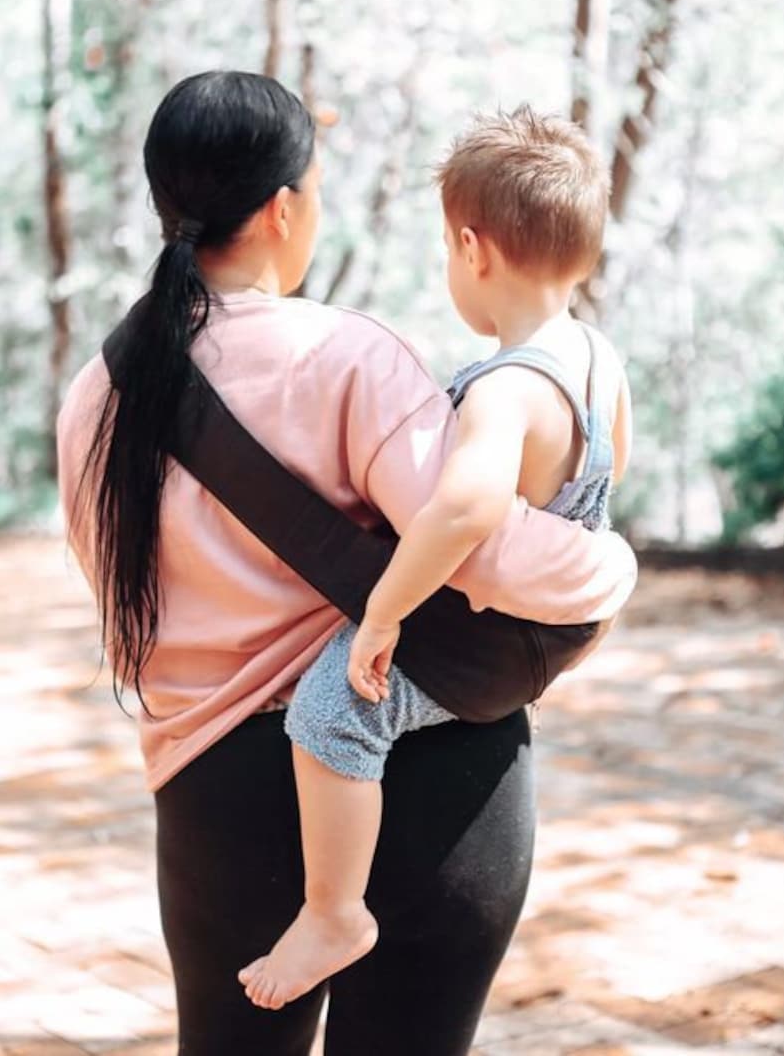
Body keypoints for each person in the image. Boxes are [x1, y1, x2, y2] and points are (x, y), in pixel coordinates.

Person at [57, 71, 637, 1056]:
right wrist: (608, 567)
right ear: (285, 208)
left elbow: (123, 594)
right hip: (414, 775)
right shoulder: (347, 357)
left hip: (210, 799)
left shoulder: (96, 397)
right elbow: (482, 549)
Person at [239, 107, 634, 1011]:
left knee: (333, 708)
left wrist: (380, 614)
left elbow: (464, 506)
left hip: (484, 642)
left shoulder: (505, 388)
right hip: (549, 637)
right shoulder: (596, 361)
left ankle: (334, 909)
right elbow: (609, 474)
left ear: (473, 247)